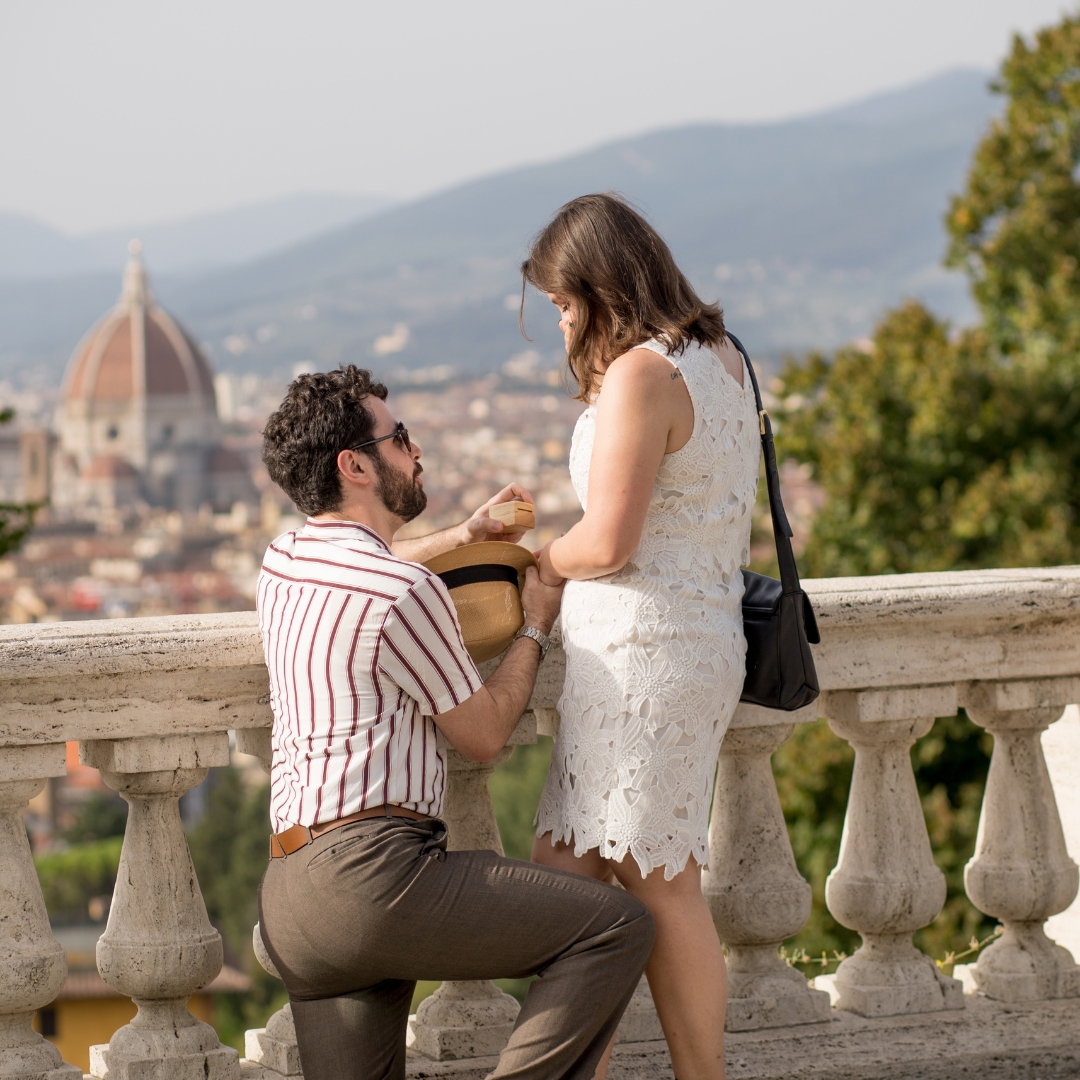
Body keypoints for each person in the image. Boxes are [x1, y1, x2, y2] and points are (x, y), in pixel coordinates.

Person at [255, 365, 654, 1080]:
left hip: (293, 897)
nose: (417, 453)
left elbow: (372, 557)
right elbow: (483, 734)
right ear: (355, 465)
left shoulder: (283, 559)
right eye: (400, 439)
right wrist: (535, 626)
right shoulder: (402, 592)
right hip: (377, 880)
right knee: (615, 928)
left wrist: (465, 534)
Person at [524, 194, 760, 1080]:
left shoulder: (642, 374)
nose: (558, 320)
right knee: (566, 874)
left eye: (560, 301)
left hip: (644, 658)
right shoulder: (723, 359)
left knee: (660, 883)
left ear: (595, 287)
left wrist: (540, 560)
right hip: (685, 645)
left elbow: (609, 539)